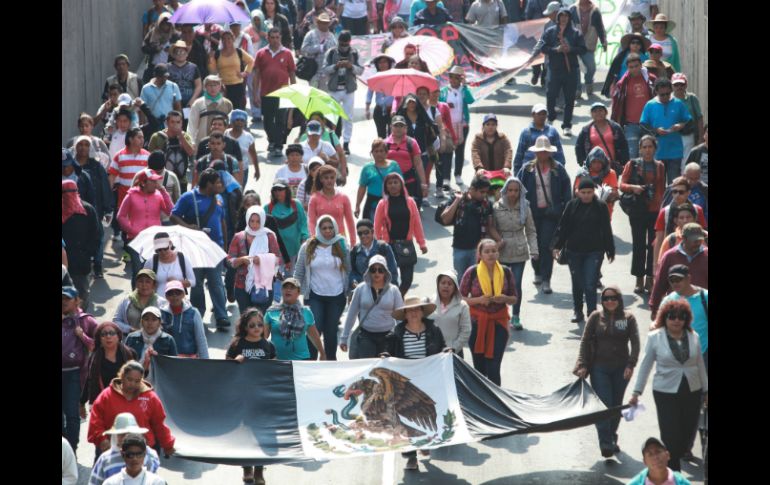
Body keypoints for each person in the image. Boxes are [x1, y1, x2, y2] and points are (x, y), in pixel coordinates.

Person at [629, 300, 707, 471]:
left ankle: (675, 456)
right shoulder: (655, 337)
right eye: (672, 317)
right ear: (665, 318)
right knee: (671, 434)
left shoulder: (694, 337)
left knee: (687, 435)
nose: (676, 320)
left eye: (681, 317)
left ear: (686, 319)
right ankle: (673, 472)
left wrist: (706, 390)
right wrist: (636, 392)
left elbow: (700, 364)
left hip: (692, 389)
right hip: (665, 391)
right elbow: (645, 365)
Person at [381, 295, 448, 471]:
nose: (413, 313)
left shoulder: (433, 330)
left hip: (429, 380)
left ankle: (426, 442)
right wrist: (386, 357)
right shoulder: (396, 334)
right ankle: (411, 457)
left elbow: (442, 346)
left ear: (422, 312)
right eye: (409, 310)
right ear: (405, 314)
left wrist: (446, 351)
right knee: (406, 418)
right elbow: (388, 351)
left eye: (416, 309)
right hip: (406, 385)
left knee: (428, 414)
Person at [573, 285, 640, 457]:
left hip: (621, 369)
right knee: (604, 405)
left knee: (616, 406)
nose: (609, 301)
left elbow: (636, 343)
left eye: (613, 298)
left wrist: (630, 365)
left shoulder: (629, 318)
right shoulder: (595, 317)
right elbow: (585, 341)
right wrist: (582, 363)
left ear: (619, 300)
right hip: (599, 368)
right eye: (606, 299)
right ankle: (605, 442)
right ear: (602, 301)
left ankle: (612, 436)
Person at [170, 169, 231, 330]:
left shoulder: (218, 199)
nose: (220, 186)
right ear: (208, 184)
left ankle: (221, 315)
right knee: (196, 284)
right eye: (217, 183)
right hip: (194, 249)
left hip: (214, 248)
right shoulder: (189, 197)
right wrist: (188, 227)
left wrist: (225, 246)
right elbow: (173, 216)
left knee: (216, 282)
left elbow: (222, 221)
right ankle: (198, 315)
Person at [552, 179, 615, 324]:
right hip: (574, 251)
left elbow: (606, 229)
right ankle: (578, 310)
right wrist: (556, 246)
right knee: (578, 282)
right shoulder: (572, 206)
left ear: (594, 192)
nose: (586, 195)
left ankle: (592, 313)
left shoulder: (600, 206)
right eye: (583, 192)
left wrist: (610, 249)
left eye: (589, 192)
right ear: (578, 192)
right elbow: (563, 227)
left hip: (595, 251)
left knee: (590, 283)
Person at [225, 308, 275, 484]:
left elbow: (275, 369)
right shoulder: (237, 344)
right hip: (242, 396)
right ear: (245, 327)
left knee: (261, 433)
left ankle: (259, 470)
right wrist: (235, 361)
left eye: (260, 325)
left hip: (262, 397)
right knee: (245, 432)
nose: (256, 328)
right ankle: (247, 467)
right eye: (252, 325)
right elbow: (224, 367)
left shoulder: (268, 346)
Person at [516, 136, 572, 294]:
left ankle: (546, 278)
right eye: (540, 151)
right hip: (531, 213)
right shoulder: (527, 169)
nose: (542, 154)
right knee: (534, 245)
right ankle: (538, 271)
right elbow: (517, 189)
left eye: (545, 151)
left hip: (551, 214)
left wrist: (565, 211)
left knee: (547, 245)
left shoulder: (558, 169)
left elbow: (566, 192)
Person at [459, 239, 518, 385]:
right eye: (487, 251)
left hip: (499, 322)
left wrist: (505, 298)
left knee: (493, 367)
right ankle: (480, 401)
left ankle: (497, 402)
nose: (491, 254)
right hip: (476, 324)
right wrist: (479, 300)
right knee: (479, 368)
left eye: (494, 251)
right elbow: (460, 299)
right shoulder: (471, 272)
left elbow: (514, 299)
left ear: (498, 253)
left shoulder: (506, 272)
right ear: (480, 254)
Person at [88, 360, 176, 458]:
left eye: (137, 381)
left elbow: (159, 424)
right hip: (111, 450)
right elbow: (95, 420)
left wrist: (168, 444)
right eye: (129, 379)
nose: (133, 384)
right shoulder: (106, 396)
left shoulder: (151, 397)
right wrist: (101, 439)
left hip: (141, 452)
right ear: (122, 376)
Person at [293, 215, 351, 360]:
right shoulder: (308, 246)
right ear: (318, 229)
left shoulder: (342, 245)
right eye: (324, 228)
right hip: (314, 295)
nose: (327, 231)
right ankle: (311, 360)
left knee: (331, 331)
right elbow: (299, 272)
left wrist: (350, 292)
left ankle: (330, 361)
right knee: (314, 328)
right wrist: (293, 293)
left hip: (337, 296)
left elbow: (349, 270)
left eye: (330, 228)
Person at [488, 177, 538, 330]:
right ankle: (502, 315)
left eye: (516, 190)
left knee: (515, 284)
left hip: (519, 249)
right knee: (500, 284)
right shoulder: (496, 207)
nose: (513, 193)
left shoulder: (525, 207)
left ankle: (516, 316)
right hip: (502, 250)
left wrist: (534, 250)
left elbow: (530, 231)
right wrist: (497, 242)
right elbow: (492, 228)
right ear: (505, 191)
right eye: (510, 190)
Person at [619, 135, 666, 294]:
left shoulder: (660, 166)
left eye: (650, 147)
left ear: (654, 148)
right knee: (639, 245)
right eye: (644, 147)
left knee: (654, 245)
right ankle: (639, 278)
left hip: (655, 211)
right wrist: (634, 187)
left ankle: (650, 279)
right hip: (638, 210)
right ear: (640, 149)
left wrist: (662, 209)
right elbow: (622, 185)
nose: (647, 150)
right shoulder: (632, 164)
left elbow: (661, 189)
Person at [374, 173, 428, 295]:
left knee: (407, 280)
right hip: (389, 246)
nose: (393, 185)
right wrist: (377, 245)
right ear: (386, 187)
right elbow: (377, 226)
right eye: (390, 183)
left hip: (406, 245)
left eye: (395, 182)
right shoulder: (382, 204)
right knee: (391, 280)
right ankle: (394, 303)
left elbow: (417, 224)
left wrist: (422, 243)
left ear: (401, 184)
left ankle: (399, 297)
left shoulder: (410, 202)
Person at [341, 254, 403, 357]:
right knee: (367, 369)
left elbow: (400, 316)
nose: (377, 273)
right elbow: (351, 314)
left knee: (385, 371)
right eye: (373, 270)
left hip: (388, 337)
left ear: (385, 272)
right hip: (366, 336)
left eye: (380, 270)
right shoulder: (360, 289)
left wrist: (403, 336)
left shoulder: (394, 290)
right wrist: (344, 337)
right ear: (369, 272)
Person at [118, 169, 174, 284]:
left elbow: (171, 211)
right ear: (143, 183)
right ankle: (136, 299)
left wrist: (163, 191)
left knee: (154, 271)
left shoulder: (158, 195)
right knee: (138, 271)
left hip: (154, 240)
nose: (156, 184)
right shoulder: (131, 195)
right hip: (136, 239)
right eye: (152, 181)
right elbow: (121, 216)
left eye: (156, 181)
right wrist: (132, 230)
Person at [62, 285, 98, 454]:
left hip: (74, 374)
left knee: (71, 414)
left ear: (77, 301)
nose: (63, 302)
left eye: (67, 299)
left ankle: (72, 450)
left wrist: (81, 335)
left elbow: (98, 346)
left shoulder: (87, 320)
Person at [541, 8, 587, 137]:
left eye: (566, 15)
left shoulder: (575, 33)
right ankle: (551, 118)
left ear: (569, 17)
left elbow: (583, 49)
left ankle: (567, 125)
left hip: (570, 70)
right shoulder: (550, 32)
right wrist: (556, 49)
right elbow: (543, 47)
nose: (563, 18)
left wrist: (570, 49)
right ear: (558, 17)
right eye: (561, 15)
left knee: (569, 99)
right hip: (554, 69)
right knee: (551, 95)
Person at [439, 175, 495, 281]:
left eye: (486, 192)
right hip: (460, 249)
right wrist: (457, 201)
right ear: (472, 189)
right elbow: (445, 219)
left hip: (478, 250)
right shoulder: (458, 198)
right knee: (460, 281)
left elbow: (490, 226)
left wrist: (499, 241)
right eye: (482, 192)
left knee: (477, 282)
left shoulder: (487, 205)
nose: (484, 195)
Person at [72, 137, 114, 279]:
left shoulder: (96, 166)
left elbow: (104, 188)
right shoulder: (69, 165)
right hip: (73, 208)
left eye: (86, 145)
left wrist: (108, 209)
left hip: (95, 208)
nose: (83, 147)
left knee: (99, 235)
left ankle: (97, 265)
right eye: (80, 144)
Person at [649, 223, 708, 319]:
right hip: (676, 311)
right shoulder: (670, 256)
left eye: (700, 240)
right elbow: (660, 284)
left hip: (702, 309)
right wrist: (654, 308)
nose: (698, 243)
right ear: (684, 238)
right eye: (694, 240)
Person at [640, 78, 692, 185]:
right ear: (656, 92)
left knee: (674, 184)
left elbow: (689, 121)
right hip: (656, 153)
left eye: (667, 94)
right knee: (658, 185)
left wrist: (680, 125)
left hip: (675, 152)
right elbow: (643, 125)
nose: (665, 97)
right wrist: (656, 130)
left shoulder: (678, 103)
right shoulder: (650, 105)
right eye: (662, 94)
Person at [255, 28, 297, 158]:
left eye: (277, 37)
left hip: (283, 93)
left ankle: (278, 145)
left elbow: (292, 74)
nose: (275, 40)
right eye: (272, 37)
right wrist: (255, 94)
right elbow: (256, 75)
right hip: (266, 93)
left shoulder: (287, 53)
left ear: (281, 38)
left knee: (280, 120)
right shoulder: (261, 53)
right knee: (267, 121)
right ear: (268, 38)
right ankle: (271, 140)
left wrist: (294, 92)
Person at [81, 323, 138, 418]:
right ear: (99, 339)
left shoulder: (130, 354)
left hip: (128, 403)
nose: (108, 336)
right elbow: (89, 380)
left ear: (118, 336)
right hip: (104, 405)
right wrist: (82, 403)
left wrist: (146, 365)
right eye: (104, 334)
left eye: (112, 333)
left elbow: (139, 378)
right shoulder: (95, 358)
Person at [320, 31, 363, 155]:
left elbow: (360, 70)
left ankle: (346, 143)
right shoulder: (331, 52)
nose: (343, 46)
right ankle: (333, 141)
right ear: (338, 41)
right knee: (331, 116)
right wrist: (335, 66)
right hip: (334, 89)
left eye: (346, 43)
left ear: (349, 42)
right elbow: (324, 69)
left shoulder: (354, 53)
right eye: (341, 43)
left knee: (348, 117)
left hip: (348, 89)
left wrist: (351, 66)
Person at [89, 413, 160, 485]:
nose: (126, 438)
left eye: (130, 434)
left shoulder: (149, 455)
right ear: (115, 436)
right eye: (122, 435)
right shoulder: (105, 459)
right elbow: (94, 482)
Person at [265, 278, 327, 360]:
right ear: (281, 291)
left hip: (302, 361)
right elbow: (262, 338)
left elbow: (314, 336)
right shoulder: (271, 312)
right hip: (277, 362)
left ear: (298, 292)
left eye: (292, 288)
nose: (288, 290)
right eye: (285, 287)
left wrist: (322, 353)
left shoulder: (306, 312)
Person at [652, 177, 707, 270]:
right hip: (672, 259)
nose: (677, 195)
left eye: (681, 192)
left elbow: (703, 236)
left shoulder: (697, 210)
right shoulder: (665, 212)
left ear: (688, 192)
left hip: (695, 258)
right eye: (674, 192)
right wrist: (656, 266)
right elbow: (659, 240)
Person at [394, 92, 437, 207]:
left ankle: (420, 199)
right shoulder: (400, 119)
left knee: (420, 177)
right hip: (405, 154)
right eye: (409, 102)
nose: (412, 105)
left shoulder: (422, 117)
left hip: (422, 153)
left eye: (414, 102)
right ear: (405, 104)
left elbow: (432, 129)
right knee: (408, 179)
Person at [610, 53, 656, 160]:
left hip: (649, 124)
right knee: (632, 156)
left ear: (641, 65)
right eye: (631, 67)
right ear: (627, 68)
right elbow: (616, 105)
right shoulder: (622, 84)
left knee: (649, 156)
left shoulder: (651, 80)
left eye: (636, 66)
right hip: (630, 125)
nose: (634, 69)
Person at [62, 180, 100, 309]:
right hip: (63, 264)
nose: (69, 196)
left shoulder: (88, 210)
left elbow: (96, 234)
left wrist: (88, 254)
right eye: (66, 192)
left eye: (72, 192)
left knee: (81, 295)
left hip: (80, 263)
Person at [439, 66, 475, 187]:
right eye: (451, 77)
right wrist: (445, 105)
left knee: (460, 151)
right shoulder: (444, 91)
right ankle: (446, 178)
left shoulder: (463, 90)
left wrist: (465, 86)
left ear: (461, 79)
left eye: (456, 78)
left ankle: (458, 174)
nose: (453, 80)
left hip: (462, 125)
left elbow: (471, 100)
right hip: (447, 125)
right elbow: (438, 105)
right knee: (447, 151)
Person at [384, 115, 428, 207]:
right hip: (390, 184)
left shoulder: (411, 142)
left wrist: (423, 184)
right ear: (391, 127)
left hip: (409, 182)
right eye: (396, 125)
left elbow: (419, 164)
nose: (398, 128)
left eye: (401, 126)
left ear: (405, 128)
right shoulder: (385, 143)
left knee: (409, 210)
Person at [576, 102, 630, 176]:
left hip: (612, 166)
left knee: (611, 187)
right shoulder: (586, 130)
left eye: (600, 110)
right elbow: (579, 146)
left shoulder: (615, 128)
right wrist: (582, 162)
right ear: (591, 114)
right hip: (593, 168)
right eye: (595, 111)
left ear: (606, 112)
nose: (598, 113)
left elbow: (624, 145)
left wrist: (624, 162)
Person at [207, 28, 255, 111]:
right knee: (224, 111)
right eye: (224, 39)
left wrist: (245, 73)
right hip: (222, 87)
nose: (226, 41)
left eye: (228, 38)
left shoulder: (239, 51)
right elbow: (212, 71)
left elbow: (251, 61)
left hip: (238, 86)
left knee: (237, 111)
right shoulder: (217, 53)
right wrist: (210, 58)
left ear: (233, 39)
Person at [355, 139, 403, 221]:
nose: (379, 154)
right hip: (372, 204)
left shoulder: (394, 166)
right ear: (372, 153)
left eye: (381, 151)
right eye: (376, 151)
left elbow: (401, 185)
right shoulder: (367, 168)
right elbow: (362, 187)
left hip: (391, 202)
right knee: (372, 230)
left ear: (386, 152)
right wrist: (357, 205)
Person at [147, 110, 195, 193]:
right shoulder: (157, 137)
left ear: (181, 123)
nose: (175, 125)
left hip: (181, 180)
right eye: (172, 122)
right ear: (167, 123)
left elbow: (190, 152)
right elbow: (150, 158)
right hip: (161, 180)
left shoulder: (185, 136)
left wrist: (181, 136)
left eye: (178, 122)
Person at [159, 280, 209, 359]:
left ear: (183, 294)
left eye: (178, 292)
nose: (174, 296)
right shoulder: (161, 313)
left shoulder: (194, 313)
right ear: (166, 296)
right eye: (170, 293)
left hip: (189, 361)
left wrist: (206, 362)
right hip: (167, 360)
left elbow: (201, 339)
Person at [266, 179, 309, 267]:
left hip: (295, 248)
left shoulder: (296, 204)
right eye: (275, 190)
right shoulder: (267, 208)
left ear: (287, 190)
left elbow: (303, 223)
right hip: (276, 251)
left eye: (280, 189)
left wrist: (304, 238)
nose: (278, 192)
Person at [308, 165, 356, 245]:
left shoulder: (344, 197)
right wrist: (314, 238)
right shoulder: (314, 198)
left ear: (335, 178)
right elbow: (311, 222)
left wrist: (353, 242)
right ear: (321, 179)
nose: (329, 180)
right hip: (321, 240)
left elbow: (350, 222)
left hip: (340, 239)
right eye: (326, 178)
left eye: (332, 177)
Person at [512, 104, 566, 175]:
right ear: (533, 115)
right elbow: (519, 155)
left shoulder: (552, 131)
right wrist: (517, 175)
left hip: (549, 172)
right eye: (539, 114)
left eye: (544, 114)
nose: (542, 116)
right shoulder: (526, 133)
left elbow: (559, 153)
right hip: (529, 172)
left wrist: (560, 172)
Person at [109, 128, 150, 218]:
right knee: (124, 229)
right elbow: (111, 177)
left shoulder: (148, 156)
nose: (142, 140)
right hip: (124, 200)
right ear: (130, 139)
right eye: (139, 137)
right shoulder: (119, 155)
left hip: (143, 201)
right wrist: (108, 198)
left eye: (142, 137)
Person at [568, 0, 607, 98]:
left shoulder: (595, 10)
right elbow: (567, 26)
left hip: (588, 43)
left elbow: (600, 27)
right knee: (575, 67)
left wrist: (603, 41)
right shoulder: (572, 9)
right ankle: (577, 89)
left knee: (591, 67)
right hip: (575, 44)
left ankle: (589, 81)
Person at [349, 219, 400, 290]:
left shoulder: (383, 247)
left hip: (382, 290)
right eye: (360, 233)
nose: (363, 236)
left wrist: (390, 290)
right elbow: (352, 271)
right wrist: (354, 281)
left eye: (366, 232)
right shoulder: (355, 251)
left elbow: (392, 271)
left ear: (372, 232)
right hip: (363, 292)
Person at [125, 306, 179, 374]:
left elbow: (175, 365)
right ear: (141, 321)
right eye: (146, 319)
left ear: (159, 322)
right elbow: (124, 362)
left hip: (160, 380)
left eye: (154, 319)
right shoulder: (132, 338)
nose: (150, 323)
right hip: (135, 380)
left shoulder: (168, 339)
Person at [429, 270, 471, 354]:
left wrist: (454, 348)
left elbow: (466, 330)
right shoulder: (429, 303)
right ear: (438, 285)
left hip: (453, 353)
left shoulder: (462, 306)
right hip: (432, 354)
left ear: (455, 287)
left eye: (449, 284)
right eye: (443, 283)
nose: (446, 286)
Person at [113, 269, 167, 334]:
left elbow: (166, 324)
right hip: (130, 340)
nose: (144, 285)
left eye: (148, 282)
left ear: (154, 285)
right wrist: (131, 330)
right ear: (136, 284)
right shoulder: (127, 300)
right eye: (140, 281)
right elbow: (116, 321)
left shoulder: (162, 303)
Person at [187, 75, 233, 147]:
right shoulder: (198, 103)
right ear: (205, 87)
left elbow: (230, 126)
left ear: (220, 86)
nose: (213, 88)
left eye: (216, 85)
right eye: (210, 85)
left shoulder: (227, 103)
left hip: (222, 144)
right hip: (202, 143)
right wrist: (191, 142)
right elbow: (192, 125)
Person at [101, 433, 167, 485]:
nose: (135, 459)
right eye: (130, 455)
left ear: (145, 454)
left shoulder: (157, 482)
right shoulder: (111, 483)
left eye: (139, 454)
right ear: (122, 454)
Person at [574, 147, 620, 219]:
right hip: (585, 213)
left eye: (599, 162)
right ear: (589, 161)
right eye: (594, 162)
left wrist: (605, 194)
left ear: (604, 162)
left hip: (604, 213)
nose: (597, 164)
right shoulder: (583, 173)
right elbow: (577, 191)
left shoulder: (611, 173)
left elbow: (614, 192)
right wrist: (592, 194)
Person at [602, 32, 650, 99]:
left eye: (638, 43)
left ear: (641, 45)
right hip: (622, 84)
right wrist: (613, 84)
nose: (635, 44)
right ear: (629, 44)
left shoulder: (645, 58)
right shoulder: (621, 56)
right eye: (633, 42)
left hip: (639, 86)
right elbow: (614, 71)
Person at [670, 73, 703, 167]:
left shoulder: (692, 99)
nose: (679, 87)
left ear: (686, 85)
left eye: (681, 84)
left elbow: (699, 118)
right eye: (676, 84)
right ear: (672, 85)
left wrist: (701, 138)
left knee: (686, 161)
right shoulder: (668, 99)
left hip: (688, 134)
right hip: (672, 136)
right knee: (674, 162)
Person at [628, 437, 692, 485]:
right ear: (645, 461)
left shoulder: (683, 483)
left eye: (658, 452)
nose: (655, 457)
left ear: (667, 455)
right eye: (650, 454)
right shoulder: (634, 483)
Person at [527, 1, 559, 88]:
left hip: (564, 61)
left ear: (556, 13)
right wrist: (533, 54)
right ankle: (539, 76)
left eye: (550, 14)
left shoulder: (567, 24)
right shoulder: (548, 24)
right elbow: (542, 40)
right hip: (550, 59)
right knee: (550, 88)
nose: (547, 16)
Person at [365, 55, 396, 139]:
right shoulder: (375, 77)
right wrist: (367, 109)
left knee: (392, 134)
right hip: (379, 109)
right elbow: (369, 93)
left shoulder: (395, 76)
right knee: (381, 135)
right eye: (380, 62)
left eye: (385, 62)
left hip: (392, 110)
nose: (382, 64)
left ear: (389, 63)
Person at [226, 109, 259, 185]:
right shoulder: (225, 134)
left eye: (242, 120)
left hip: (242, 170)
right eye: (237, 120)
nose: (239, 122)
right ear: (232, 121)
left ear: (245, 122)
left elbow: (253, 154)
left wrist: (257, 170)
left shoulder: (248, 137)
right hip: (227, 169)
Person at [168, 40, 202, 111]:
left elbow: (198, 85)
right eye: (177, 52)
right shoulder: (167, 67)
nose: (180, 54)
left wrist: (193, 100)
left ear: (187, 54)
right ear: (174, 54)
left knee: (188, 121)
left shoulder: (193, 67)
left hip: (189, 101)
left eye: (183, 52)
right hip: (172, 102)